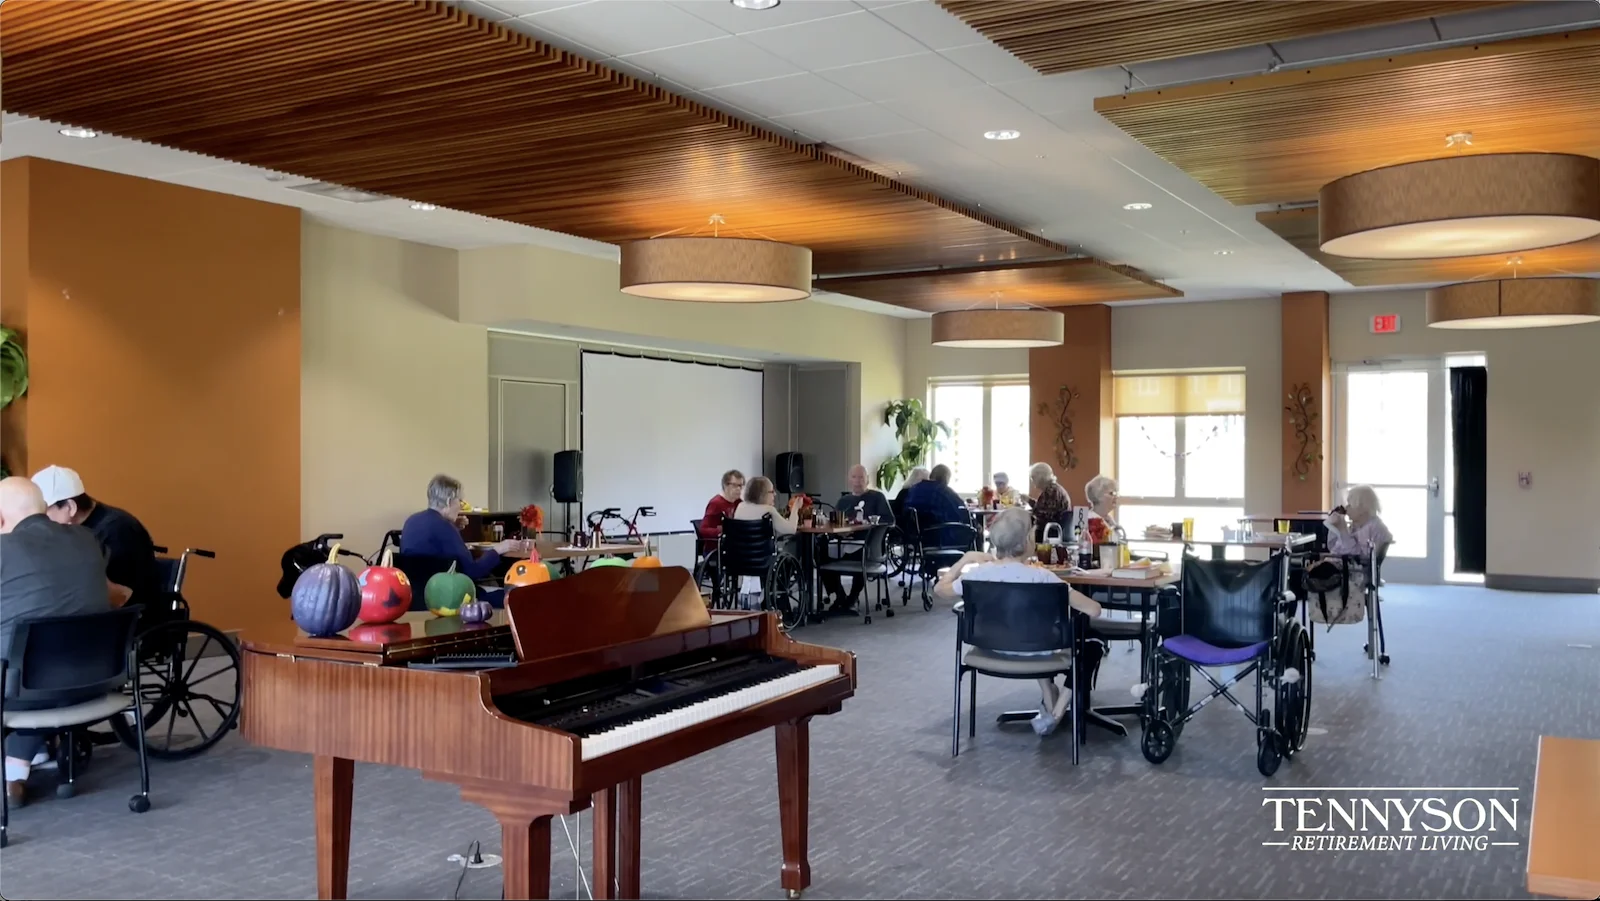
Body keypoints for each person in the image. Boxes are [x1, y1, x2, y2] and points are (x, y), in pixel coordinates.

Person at [933, 507, 1101, 737]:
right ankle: (1058, 710)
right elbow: (1094, 610)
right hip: (1037, 650)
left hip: (990, 648)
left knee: (1030, 629)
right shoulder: (1044, 577)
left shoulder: (977, 574)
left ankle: (1049, 700)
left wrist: (965, 559)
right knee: (1090, 643)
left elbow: (939, 590)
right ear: (1028, 540)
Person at [1, 477, 114, 809]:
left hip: (26, 689)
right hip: (94, 680)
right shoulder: (86, 538)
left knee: (19, 656)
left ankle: (18, 766)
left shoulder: (5, 550)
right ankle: (20, 763)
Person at [31, 465, 158, 610]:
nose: (39, 521)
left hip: (132, 620)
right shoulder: (72, 530)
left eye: (43, 512)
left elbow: (117, 596)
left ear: (70, 507)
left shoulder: (118, 530)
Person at [401, 474, 525, 582]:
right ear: (449, 502)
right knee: (509, 593)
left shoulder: (411, 521)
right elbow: (472, 572)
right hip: (451, 598)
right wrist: (498, 550)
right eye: (460, 501)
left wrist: (453, 526)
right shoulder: (445, 528)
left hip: (419, 595)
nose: (461, 506)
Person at [821, 465, 894, 612]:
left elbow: (890, 521)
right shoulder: (844, 500)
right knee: (819, 552)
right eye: (854, 477)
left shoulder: (877, 497)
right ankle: (839, 595)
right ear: (849, 480)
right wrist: (839, 532)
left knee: (862, 554)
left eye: (861, 477)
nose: (857, 481)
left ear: (867, 479)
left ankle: (853, 597)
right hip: (843, 541)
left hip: (867, 545)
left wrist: (871, 523)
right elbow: (834, 523)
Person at [904, 464, 970, 548]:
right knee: (973, 530)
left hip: (915, 535)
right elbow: (961, 509)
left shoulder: (914, 489)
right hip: (940, 535)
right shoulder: (944, 491)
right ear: (946, 478)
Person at [1324, 485, 1393, 556]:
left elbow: (1359, 557)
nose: (1346, 507)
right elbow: (1333, 547)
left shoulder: (1374, 528)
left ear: (1362, 508)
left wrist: (1343, 531)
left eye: (1349, 505)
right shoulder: (1356, 526)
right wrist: (1334, 528)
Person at [732, 476, 803, 542]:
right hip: (763, 553)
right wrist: (795, 507)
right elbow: (791, 529)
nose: (775, 494)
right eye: (772, 492)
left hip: (739, 554)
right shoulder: (768, 510)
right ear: (763, 494)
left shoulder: (740, 506)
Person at [697, 470, 745, 554]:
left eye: (740, 486)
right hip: (716, 550)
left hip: (733, 547)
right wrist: (723, 532)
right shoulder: (716, 503)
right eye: (734, 485)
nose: (738, 489)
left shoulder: (739, 503)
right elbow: (703, 529)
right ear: (725, 485)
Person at [1028, 462, 1072, 541]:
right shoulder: (1053, 488)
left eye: (1033, 477)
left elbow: (1044, 516)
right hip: (1053, 530)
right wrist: (1029, 501)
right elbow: (1044, 508)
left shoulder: (1051, 491)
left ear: (1040, 477)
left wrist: (1027, 514)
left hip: (1050, 532)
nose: (1032, 481)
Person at [1083, 474, 1125, 539]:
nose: (1116, 497)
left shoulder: (1109, 519)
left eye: (1116, 493)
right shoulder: (1088, 519)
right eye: (1112, 493)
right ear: (1098, 495)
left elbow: (1119, 541)